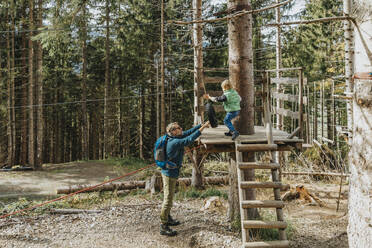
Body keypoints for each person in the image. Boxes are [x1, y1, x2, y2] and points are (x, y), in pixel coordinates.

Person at [160, 121, 210, 236]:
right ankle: (163, 225)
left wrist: (201, 125)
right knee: (168, 200)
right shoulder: (174, 142)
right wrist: (202, 128)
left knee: (170, 198)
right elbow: (189, 139)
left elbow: (188, 132)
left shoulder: (174, 137)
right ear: (173, 131)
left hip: (171, 172)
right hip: (169, 174)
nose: (181, 129)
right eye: (178, 128)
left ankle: (167, 218)